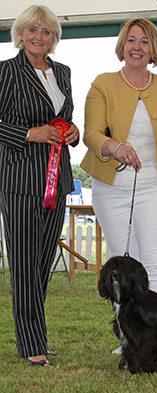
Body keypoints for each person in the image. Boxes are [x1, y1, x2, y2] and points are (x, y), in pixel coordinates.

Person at [81, 18, 157, 370]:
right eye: (131, 40)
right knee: (122, 267)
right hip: (110, 187)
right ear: (122, 45)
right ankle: (132, 339)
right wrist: (115, 147)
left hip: (155, 187)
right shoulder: (103, 84)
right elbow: (91, 134)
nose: (137, 47)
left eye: (144, 41)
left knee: (156, 264)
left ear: (153, 48)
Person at [0, 5, 79, 366]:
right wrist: (28, 134)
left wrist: (72, 132)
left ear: (54, 38)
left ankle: (36, 335)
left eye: (46, 32)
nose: (38, 37)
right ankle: (32, 344)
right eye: (32, 30)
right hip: (19, 178)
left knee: (43, 260)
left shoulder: (62, 73)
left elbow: (65, 119)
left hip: (56, 179)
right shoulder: (6, 72)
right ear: (19, 34)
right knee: (24, 263)